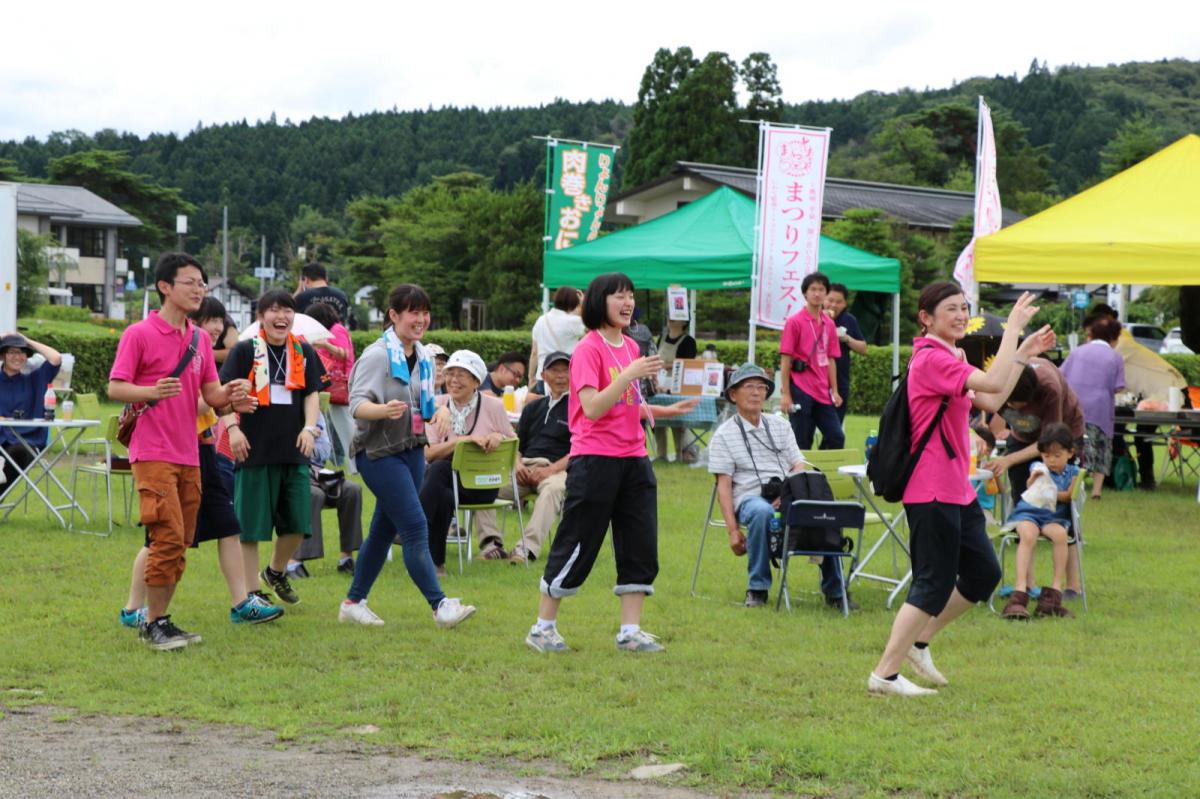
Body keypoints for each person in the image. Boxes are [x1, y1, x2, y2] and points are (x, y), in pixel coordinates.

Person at [867, 283, 1054, 696]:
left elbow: (990, 400)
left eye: (963, 308)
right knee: (932, 581)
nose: (960, 315)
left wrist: (1023, 354)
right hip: (930, 487)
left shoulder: (953, 355)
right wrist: (1012, 330)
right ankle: (884, 675)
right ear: (926, 317)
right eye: (950, 308)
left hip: (957, 487)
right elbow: (992, 382)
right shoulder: (931, 358)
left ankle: (918, 643)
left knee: (983, 572)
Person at [524, 272, 697, 655]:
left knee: (639, 541)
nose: (627, 302)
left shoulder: (631, 347)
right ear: (599, 301)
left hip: (634, 459)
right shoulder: (588, 349)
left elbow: (627, 405)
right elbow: (592, 407)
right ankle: (542, 628)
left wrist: (667, 411)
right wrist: (630, 375)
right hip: (595, 460)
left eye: (630, 295)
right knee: (577, 540)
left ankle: (630, 632)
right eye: (619, 295)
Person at [108, 252, 254, 650]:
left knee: (182, 541)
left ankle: (160, 620)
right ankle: (152, 623)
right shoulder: (139, 334)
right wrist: (150, 391)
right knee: (167, 538)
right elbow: (116, 387)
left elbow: (212, 395)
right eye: (190, 282)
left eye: (202, 283)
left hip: (190, 452)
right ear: (165, 287)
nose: (199, 289)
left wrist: (232, 395)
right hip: (152, 451)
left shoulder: (199, 339)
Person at [337, 283, 475, 629]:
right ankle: (439, 605)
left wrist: (440, 411)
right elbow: (356, 405)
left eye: (425, 312)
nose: (421, 319)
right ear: (394, 315)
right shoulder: (377, 356)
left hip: (413, 450)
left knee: (383, 529)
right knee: (414, 525)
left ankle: (353, 602)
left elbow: (425, 404)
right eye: (413, 312)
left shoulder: (425, 357)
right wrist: (383, 410)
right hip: (378, 452)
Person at [120, 403, 285, 630]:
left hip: (203, 448)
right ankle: (132, 610)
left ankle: (242, 604)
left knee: (228, 526)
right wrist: (221, 399)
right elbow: (186, 406)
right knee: (161, 539)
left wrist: (225, 398)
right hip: (170, 450)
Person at [707, 363, 854, 609]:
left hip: (788, 492)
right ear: (733, 394)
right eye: (749, 387)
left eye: (761, 387)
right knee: (761, 511)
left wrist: (788, 494)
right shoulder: (723, 435)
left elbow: (798, 464)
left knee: (823, 510)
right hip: (749, 498)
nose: (756, 392)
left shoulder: (780, 425)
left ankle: (836, 591)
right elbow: (723, 486)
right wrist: (733, 531)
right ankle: (758, 588)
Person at [219, 289, 328, 608]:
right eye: (274, 310)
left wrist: (309, 428)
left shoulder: (303, 351)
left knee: (299, 523)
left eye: (288, 310)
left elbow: (312, 393)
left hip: (294, 449)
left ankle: (275, 571)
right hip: (254, 449)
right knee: (251, 528)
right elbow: (222, 395)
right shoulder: (244, 351)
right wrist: (233, 429)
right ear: (261, 317)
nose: (282, 317)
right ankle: (253, 593)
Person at [473, 350, 573, 565]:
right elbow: (517, 444)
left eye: (566, 371)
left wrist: (549, 470)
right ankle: (492, 546)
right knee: (481, 484)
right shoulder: (533, 408)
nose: (561, 376)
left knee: (554, 489)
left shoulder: (579, 408)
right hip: (523, 469)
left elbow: (580, 450)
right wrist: (517, 465)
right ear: (543, 376)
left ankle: (526, 549)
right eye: (555, 370)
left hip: (557, 470)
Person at [422, 350, 516, 565]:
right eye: (450, 374)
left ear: (476, 381)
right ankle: (436, 565)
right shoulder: (438, 404)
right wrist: (462, 441)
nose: (453, 380)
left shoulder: (493, 406)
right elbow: (429, 453)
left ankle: (415, 527)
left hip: (482, 484)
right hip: (447, 484)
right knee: (444, 495)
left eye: (461, 375)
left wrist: (499, 437)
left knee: (438, 470)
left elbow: (513, 443)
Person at [1000, 423, 1081, 620]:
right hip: (1029, 513)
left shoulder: (1074, 473)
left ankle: (1055, 589)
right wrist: (1035, 479)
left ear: (1070, 453)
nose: (1051, 461)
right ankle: (1020, 590)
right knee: (1028, 535)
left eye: (1057, 455)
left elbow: (1068, 496)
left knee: (1060, 535)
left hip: (1054, 517)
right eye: (1046, 455)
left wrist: (1049, 493)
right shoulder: (1038, 467)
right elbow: (1030, 486)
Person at [985, 359, 1085, 506]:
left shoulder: (1050, 388)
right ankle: (1024, 517)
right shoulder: (997, 384)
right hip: (1023, 435)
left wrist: (1009, 459)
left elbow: (1051, 440)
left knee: (1057, 492)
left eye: (1015, 405)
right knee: (1021, 490)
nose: (1008, 407)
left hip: (1062, 433)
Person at [287, 413, 363, 578]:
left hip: (316, 472)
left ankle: (346, 558)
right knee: (314, 494)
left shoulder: (316, 414)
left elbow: (325, 451)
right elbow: (283, 450)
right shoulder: (285, 411)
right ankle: (294, 563)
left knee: (352, 490)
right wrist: (307, 439)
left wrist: (304, 445)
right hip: (290, 473)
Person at [1060, 317, 1125, 499]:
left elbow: (1061, 375)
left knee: (1073, 447)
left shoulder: (1077, 352)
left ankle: (1071, 484)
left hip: (1073, 407)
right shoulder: (1115, 357)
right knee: (1102, 448)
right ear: (1113, 337)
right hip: (1100, 410)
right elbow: (1118, 386)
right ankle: (1096, 491)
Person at [779, 272, 844, 450]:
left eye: (821, 289)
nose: (817, 293)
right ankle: (800, 469)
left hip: (822, 390)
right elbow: (785, 360)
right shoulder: (794, 322)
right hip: (800, 387)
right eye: (813, 289)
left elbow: (831, 359)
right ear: (805, 293)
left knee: (836, 436)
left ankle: (823, 468)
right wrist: (786, 394)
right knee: (802, 440)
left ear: (826, 293)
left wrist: (835, 391)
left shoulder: (829, 323)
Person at [0, 333, 62, 494]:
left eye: (22, 352)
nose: (18, 356)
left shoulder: (35, 380)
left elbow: (55, 358)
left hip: (27, 441)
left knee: (17, 453)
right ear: (2, 356)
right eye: (12, 352)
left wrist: (25, 340)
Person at [304, 302, 356, 467]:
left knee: (346, 427)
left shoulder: (336, 330)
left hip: (340, 384)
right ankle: (344, 463)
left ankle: (355, 464)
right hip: (333, 385)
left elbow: (344, 353)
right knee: (338, 426)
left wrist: (325, 344)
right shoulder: (333, 330)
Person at [653, 317, 697, 462]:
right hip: (659, 385)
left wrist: (666, 365)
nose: (671, 319)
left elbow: (688, 364)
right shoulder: (662, 337)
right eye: (670, 316)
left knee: (678, 420)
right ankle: (661, 455)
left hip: (677, 386)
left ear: (684, 322)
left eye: (676, 317)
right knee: (657, 418)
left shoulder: (688, 341)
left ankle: (680, 454)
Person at [823, 283, 867, 422]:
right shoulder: (814, 318)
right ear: (823, 299)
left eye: (839, 302)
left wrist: (847, 339)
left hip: (840, 379)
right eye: (830, 300)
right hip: (815, 380)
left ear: (845, 303)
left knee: (835, 425)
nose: (833, 305)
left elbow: (863, 348)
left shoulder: (849, 320)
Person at [529, 286, 585, 388]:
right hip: (564, 377)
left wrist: (531, 377)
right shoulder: (573, 321)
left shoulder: (541, 320)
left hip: (542, 376)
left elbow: (534, 352)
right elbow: (594, 328)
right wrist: (583, 305)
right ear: (574, 303)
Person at [293, 262, 353, 328]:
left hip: (312, 334)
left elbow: (289, 313)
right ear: (326, 278)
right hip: (336, 333)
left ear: (306, 279)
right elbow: (344, 320)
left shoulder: (302, 297)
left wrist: (298, 290)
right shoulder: (341, 295)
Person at [193, 297, 239, 365]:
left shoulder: (228, 325)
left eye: (221, 321)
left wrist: (204, 352)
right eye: (214, 321)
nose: (219, 328)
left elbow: (235, 353)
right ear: (193, 322)